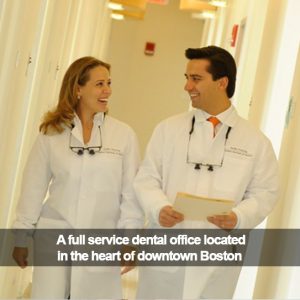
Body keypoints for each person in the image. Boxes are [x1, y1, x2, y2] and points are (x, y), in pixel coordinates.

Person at [134, 46, 279, 298]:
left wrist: (239, 217)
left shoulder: (255, 142)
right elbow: (147, 179)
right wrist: (159, 208)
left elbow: (265, 193)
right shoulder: (168, 130)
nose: (187, 86)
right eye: (187, 78)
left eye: (196, 79)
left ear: (222, 82)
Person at [12, 56, 143, 299]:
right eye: (100, 84)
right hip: (54, 235)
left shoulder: (123, 135)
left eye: (109, 83)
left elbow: (130, 195)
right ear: (78, 89)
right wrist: (21, 237)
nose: (107, 91)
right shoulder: (51, 134)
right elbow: (33, 188)